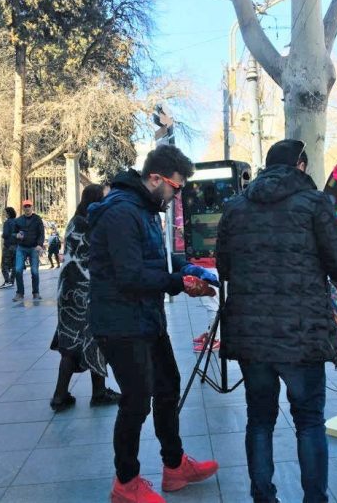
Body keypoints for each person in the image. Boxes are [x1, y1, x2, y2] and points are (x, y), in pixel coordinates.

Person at [215, 139, 337, 503]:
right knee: (309, 421)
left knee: (259, 420)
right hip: (301, 334)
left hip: (252, 335)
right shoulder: (314, 203)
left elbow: (223, 267)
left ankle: (263, 497)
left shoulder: (235, 207)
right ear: (301, 166)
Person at [89, 145, 220, 503]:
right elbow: (131, 275)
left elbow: (156, 260)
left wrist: (188, 269)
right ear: (155, 178)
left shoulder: (146, 210)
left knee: (167, 387)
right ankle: (126, 482)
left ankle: (174, 466)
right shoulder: (121, 212)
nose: (177, 195)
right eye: (176, 188)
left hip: (146, 318)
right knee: (136, 401)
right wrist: (180, 283)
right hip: (120, 322)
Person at [50, 184, 121, 412]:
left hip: (68, 289)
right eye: (105, 197)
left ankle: (62, 395)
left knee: (72, 342)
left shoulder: (75, 221)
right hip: (86, 290)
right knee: (94, 338)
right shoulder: (93, 223)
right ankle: (96, 393)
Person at [12, 199, 45, 301]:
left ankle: (36, 293)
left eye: (29, 206)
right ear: (23, 208)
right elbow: (12, 233)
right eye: (25, 206)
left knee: (34, 271)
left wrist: (39, 245)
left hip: (34, 248)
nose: (27, 208)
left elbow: (41, 233)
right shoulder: (18, 220)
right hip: (21, 248)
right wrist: (16, 235)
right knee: (18, 270)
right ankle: (20, 293)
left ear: (32, 207)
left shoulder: (37, 219)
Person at [0, 207, 17, 289]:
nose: (4, 214)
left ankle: (7, 281)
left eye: (5, 213)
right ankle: (12, 281)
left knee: (4, 265)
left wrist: (2, 235)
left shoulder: (7, 222)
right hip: (16, 246)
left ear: (8, 213)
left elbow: (5, 234)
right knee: (14, 265)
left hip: (8, 246)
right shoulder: (17, 221)